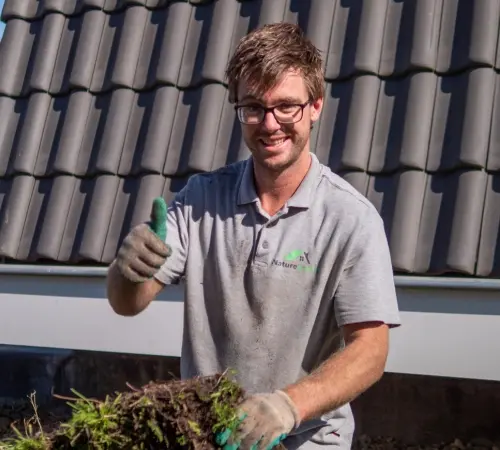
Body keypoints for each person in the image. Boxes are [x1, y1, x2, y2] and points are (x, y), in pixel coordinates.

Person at [107, 22, 401, 450]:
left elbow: (371, 351)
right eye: (253, 107)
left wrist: (289, 405)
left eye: (287, 107)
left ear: (315, 106)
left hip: (308, 438)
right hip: (209, 434)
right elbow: (126, 304)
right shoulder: (200, 200)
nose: (270, 124)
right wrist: (126, 271)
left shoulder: (350, 219)